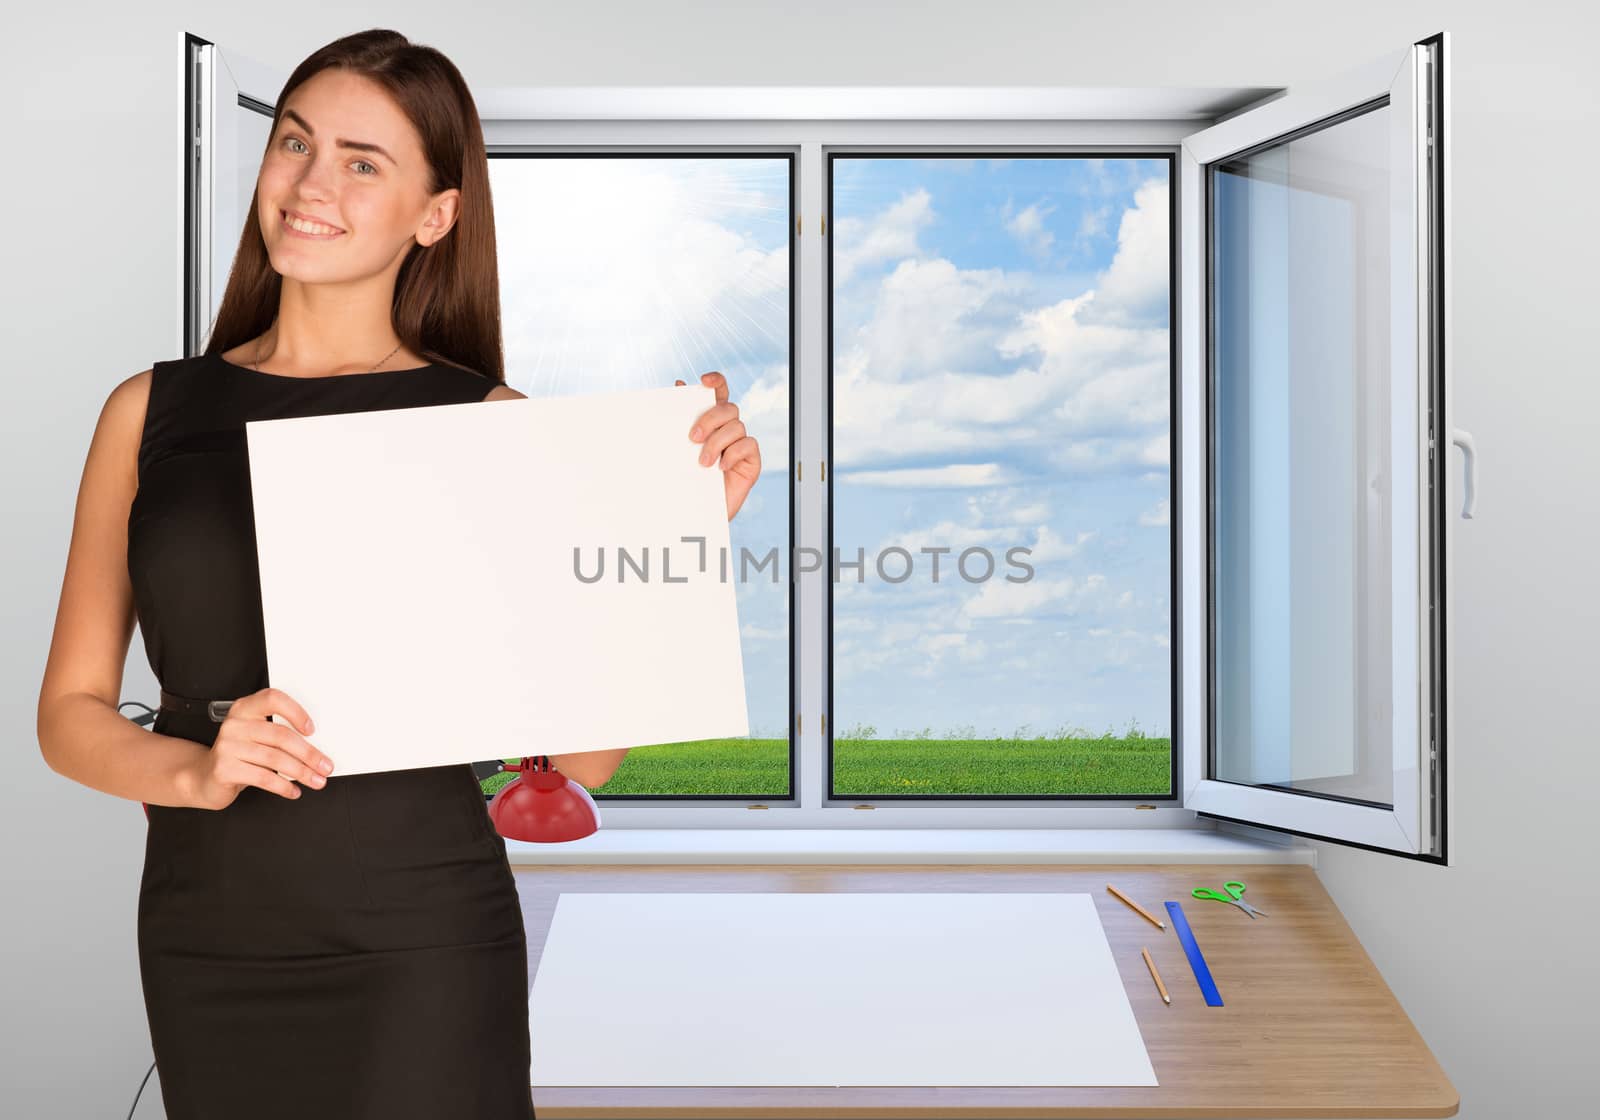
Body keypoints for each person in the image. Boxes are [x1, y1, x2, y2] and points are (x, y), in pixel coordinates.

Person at [35, 28, 761, 1120]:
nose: (311, 183)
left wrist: (678, 534)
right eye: (295, 142)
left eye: (362, 161)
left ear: (436, 214)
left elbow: (586, 757)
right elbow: (67, 713)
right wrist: (197, 772)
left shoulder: (490, 425)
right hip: (204, 931)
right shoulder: (149, 412)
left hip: (422, 933)